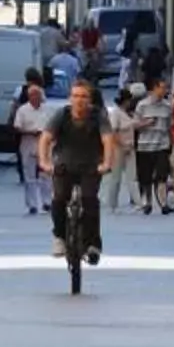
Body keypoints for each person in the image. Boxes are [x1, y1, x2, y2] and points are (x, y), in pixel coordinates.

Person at [39, 77, 112, 267]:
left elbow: (108, 140)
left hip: (90, 166)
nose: (79, 100)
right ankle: (59, 237)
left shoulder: (98, 116)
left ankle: (93, 243)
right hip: (65, 165)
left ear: (90, 99)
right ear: (70, 98)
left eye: (84, 96)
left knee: (90, 200)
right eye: (76, 96)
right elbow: (45, 139)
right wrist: (45, 162)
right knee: (59, 198)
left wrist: (106, 163)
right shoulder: (62, 115)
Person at [133, 79, 174, 213]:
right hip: (145, 146)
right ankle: (148, 201)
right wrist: (146, 123)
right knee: (145, 177)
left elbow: (170, 126)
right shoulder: (142, 105)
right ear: (154, 89)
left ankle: (163, 203)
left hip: (162, 145)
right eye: (162, 88)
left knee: (162, 176)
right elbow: (134, 125)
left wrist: (173, 144)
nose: (164, 91)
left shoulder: (167, 106)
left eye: (165, 88)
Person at [9, 81, 51, 215]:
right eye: (33, 95)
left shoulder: (47, 110)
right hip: (28, 143)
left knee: (46, 174)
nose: (36, 97)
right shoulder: (23, 110)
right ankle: (32, 204)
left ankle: (47, 202)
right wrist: (30, 132)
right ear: (29, 97)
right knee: (29, 176)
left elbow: (52, 127)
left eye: (38, 95)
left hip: (44, 144)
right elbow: (17, 127)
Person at [103, 86, 140, 213]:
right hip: (118, 148)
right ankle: (112, 203)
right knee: (116, 177)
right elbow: (113, 132)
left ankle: (138, 201)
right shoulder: (115, 113)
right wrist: (122, 144)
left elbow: (134, 124)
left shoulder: (128, 114)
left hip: (130, 147)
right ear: (125, 101)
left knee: (132, 176)